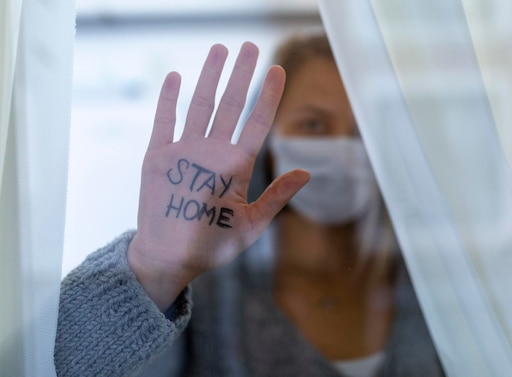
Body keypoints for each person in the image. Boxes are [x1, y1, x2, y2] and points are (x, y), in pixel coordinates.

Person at [55, 32, 445, 377]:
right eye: (313, 125)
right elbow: (52, 365)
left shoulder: (437, 286)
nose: (341, 149)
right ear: (269, 140)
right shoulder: (199, 294)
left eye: (363, 131)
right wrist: (152, 270)